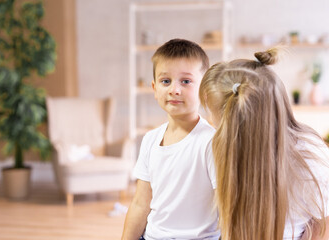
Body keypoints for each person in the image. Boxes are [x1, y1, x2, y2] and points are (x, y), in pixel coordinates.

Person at [199, 48, 329, 240]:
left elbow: (322, 226)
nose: (210, 121)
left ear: (232, 122)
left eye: (211, 113)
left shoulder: (310, 156)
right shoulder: (312, 149)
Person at [121, 39, 220, 240]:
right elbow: (140, 204)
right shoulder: (150, 140)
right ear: (154, 88)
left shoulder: (211, 142)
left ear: (205, 90)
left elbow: (227, 210)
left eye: (186, 81)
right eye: (165, 81)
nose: (175, 90)